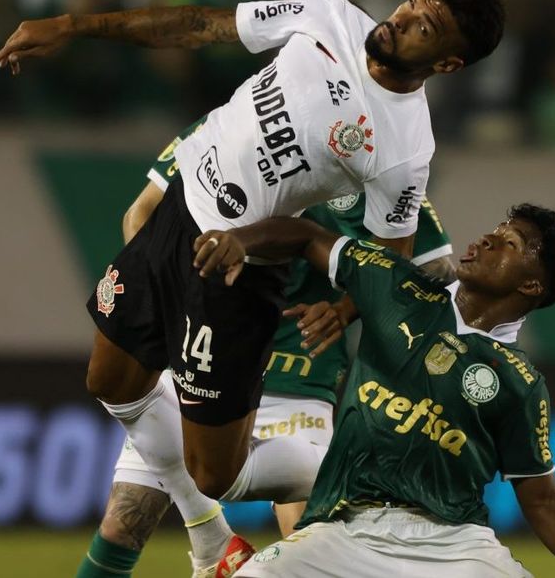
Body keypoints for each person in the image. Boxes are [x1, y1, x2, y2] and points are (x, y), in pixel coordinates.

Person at [0, 0, 504, 569]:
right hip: (180, 214)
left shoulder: (406, 146)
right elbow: (199, 25)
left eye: (426, 27)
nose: (401, 19)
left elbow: (391, 257)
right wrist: (75, 25)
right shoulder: (328, 16)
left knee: (216, 474)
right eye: (412, 3)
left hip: (239, 274)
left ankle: (353, 466)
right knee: (109, 381)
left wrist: (344, 309)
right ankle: (213, 541)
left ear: (447, 64)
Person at [77, 117, 457, 578]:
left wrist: (347, 308)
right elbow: (141, 213)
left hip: (297, 373)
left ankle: (362, 479)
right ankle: (217, 540)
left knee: (305, 541)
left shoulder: (374, 162)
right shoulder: (234, 121)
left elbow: (436, 269)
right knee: (124, 521)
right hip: (201, 350)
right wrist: (172, 304)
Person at [188, 205, 555, 578]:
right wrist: (240, 240)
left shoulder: (520, 382)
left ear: (531, 284)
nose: (487, 239)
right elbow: (306, 235)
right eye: (495, 230)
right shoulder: (397, 288)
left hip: (455, 547)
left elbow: (542, 500)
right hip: (346, 530)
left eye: (509, 243)